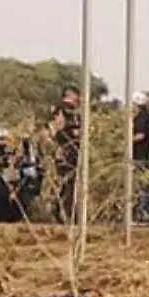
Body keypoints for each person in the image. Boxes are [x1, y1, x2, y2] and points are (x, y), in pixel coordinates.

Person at [50, 87, 82, 221]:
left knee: (70, 182)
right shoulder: (62, 108)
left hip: (73, 149)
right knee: (67, 181)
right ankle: (65, 212)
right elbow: (56, 127)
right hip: (65, 149)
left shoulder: (75, 111)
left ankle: (63, 210)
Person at [130, 90, 149, 169]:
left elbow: (140, 135)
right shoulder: (145, 116)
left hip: (139, 159)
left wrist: (126, 141)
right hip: (141, 157)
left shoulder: (142, 117)